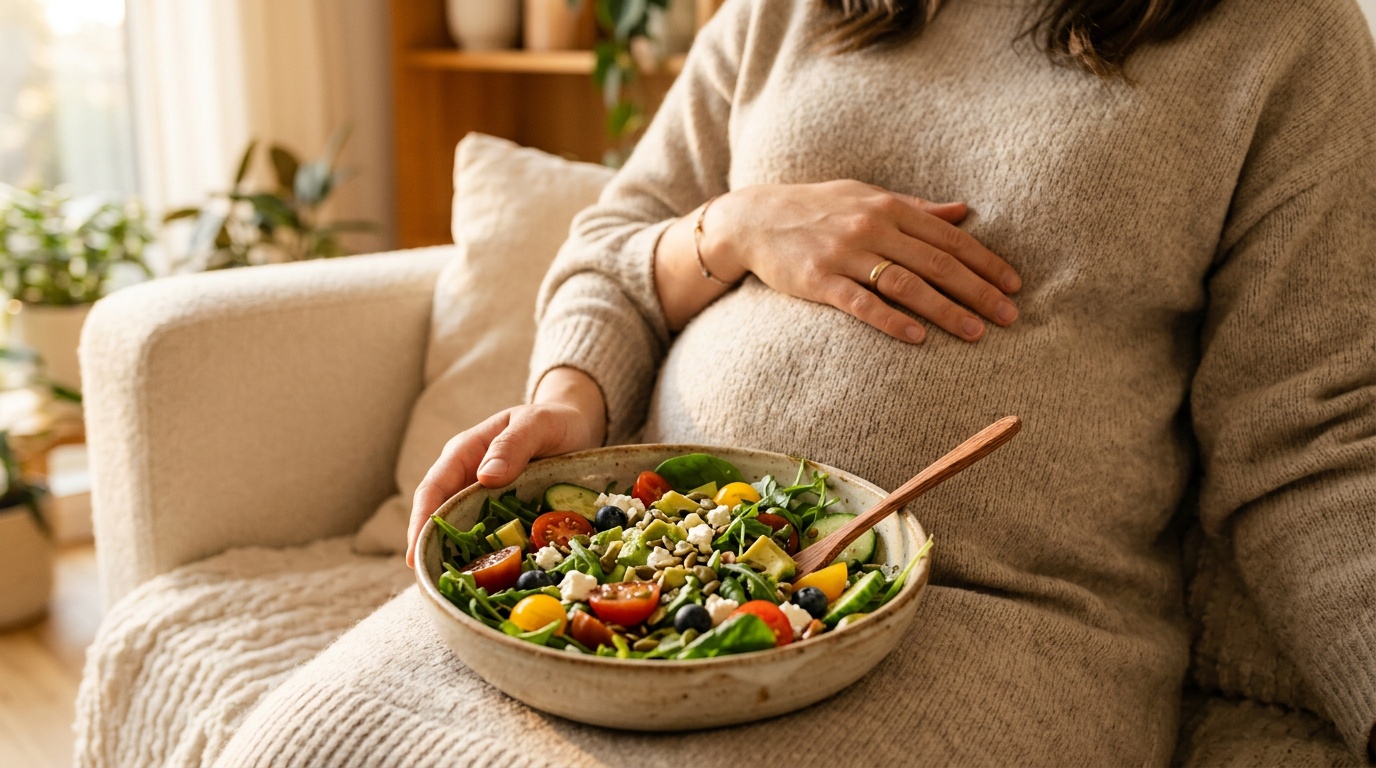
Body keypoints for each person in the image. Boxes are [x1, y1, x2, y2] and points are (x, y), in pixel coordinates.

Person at [251, 0, 1376, 764]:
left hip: (991, 624)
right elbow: (619, 238)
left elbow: (1313, 441)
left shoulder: (1283, 37)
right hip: (638, 567)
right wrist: (718, 240)